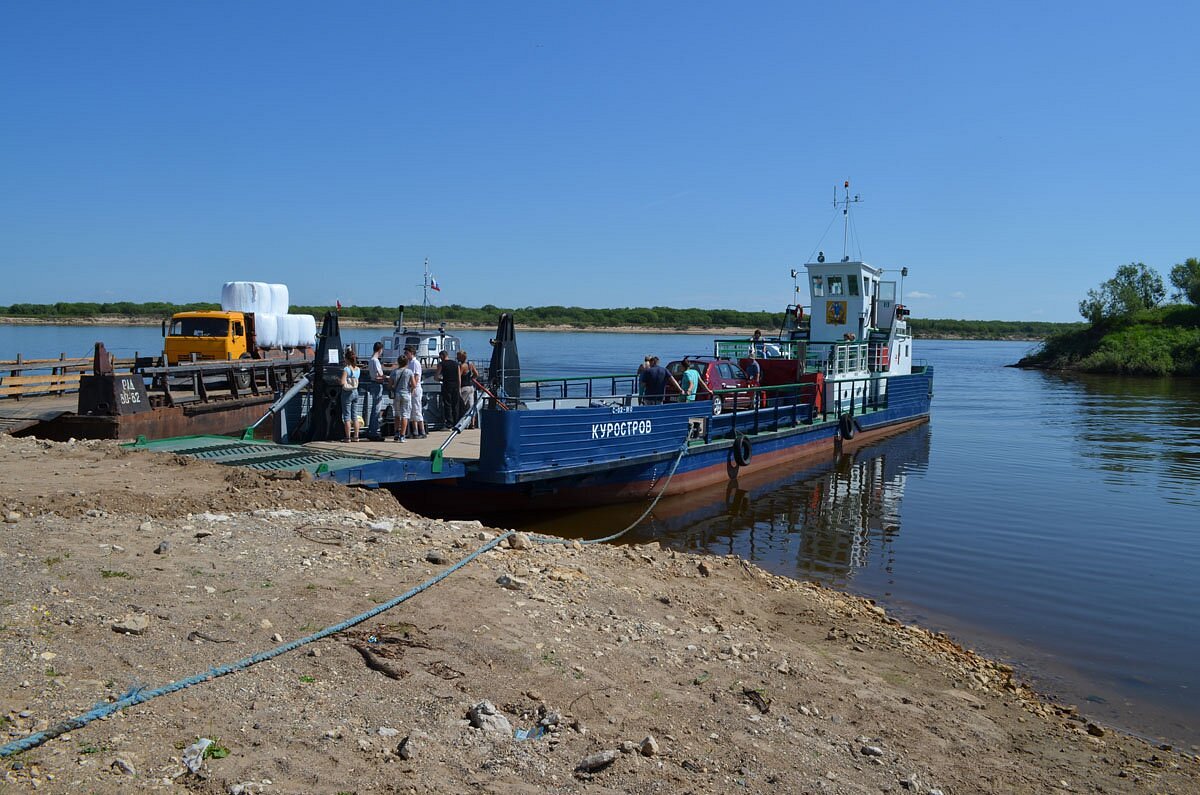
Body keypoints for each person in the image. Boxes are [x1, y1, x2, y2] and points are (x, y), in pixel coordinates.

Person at [390, 350, 417, 442]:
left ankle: (396, 433)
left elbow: (390, 385)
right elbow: (414, 384)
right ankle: (402, 436)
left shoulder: (394, 372)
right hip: (406, 394)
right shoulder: (409, 372)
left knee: (397, 415)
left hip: (397, 394)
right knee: (405, 415)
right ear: (407, 362)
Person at [362, 341, 386, 441]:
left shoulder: (370, 360)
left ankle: (372, 429)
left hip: (372, 383)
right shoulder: (376, 361)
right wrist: (388, 377)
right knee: (377, 409)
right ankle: (374, 431)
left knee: (374, 408)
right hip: (377, 384)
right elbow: (380, 374)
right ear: (380, 349)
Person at [434, 349, 463, 428]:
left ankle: (449, 422)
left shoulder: (441, 364)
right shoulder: (456, 364)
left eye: (440, 357)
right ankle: (457, 422)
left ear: (442, 356)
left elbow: (436, 377)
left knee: (447, 404)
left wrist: (441, 379)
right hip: (456, 385)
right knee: (455, 404)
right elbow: (459, 377)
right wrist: (459, 387)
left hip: (447, 385)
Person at [339, 349, 361, 442]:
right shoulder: (358, 369)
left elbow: (342, 382)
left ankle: (348, 437)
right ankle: (356, 436)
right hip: (355, 392)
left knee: (347, 416)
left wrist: (338, 380)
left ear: (347, 359)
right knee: (355, 416)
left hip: (347, 393)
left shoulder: (346, 369)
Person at [405, 345, 427, 438]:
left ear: (412, 353)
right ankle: (414, 431)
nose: (405, 355)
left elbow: (416, 377)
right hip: (411, 388)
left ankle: (421, 431)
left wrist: (413, 388)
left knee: (417, 409)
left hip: (416, 388)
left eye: (407, 353)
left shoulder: (415, 363)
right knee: (412, 410)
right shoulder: (409, 363)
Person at [457, 350, 480, 429]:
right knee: (471, 406)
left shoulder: (461, 366)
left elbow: (459, 378)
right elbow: (476, 374)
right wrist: (472, 378)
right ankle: (472, 423)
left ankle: (462, 423)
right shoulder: (470, 364)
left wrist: (459, 388)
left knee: (462, 406)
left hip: (464, 388)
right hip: (471, 387)